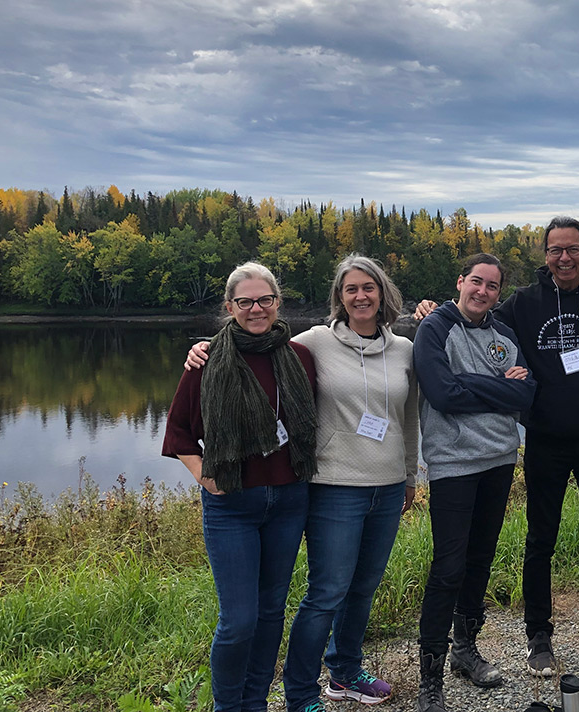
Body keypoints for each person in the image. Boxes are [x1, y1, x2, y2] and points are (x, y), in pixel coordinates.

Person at [186, 254, 419, 712]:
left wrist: (410, 474)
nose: (360, 296)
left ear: (382, 293)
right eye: (350, 289)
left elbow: (408, 420)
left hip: (389, 485)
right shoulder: (313, 342)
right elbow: (251, 342)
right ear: (339, 297)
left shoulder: (405, 350)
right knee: (327, 592)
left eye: (368, 288)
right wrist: (203, 348)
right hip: (333, 485)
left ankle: (346, 672)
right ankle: (301, 693)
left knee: (364, 586)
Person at [415, 216, 579, 674]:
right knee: (541, 540)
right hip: (544, 440)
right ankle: (538, 634)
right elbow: (473, 315)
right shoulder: (523, 303)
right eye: (556, 249)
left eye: (573, 248)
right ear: (545, 255)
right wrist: (433, 310)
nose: (565, 257)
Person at [163, 262, 318, 712]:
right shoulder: (207, 359)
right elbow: (177, 433)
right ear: (229, 307)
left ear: (277, 302)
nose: (256, 309)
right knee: (239, 620)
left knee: (271, 613)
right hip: (232, 504)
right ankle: (228, 707)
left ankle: (255, 703)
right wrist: (203, 475)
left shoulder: (299, 356)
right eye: (245, 301)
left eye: (264, 299)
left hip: (290, 499)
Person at [413, 253, 536, 712]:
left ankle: (466, 651)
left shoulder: (503, 334)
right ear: (460, 281)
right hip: (453, 465)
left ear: (498, 294)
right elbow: (442, 394)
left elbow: (526, 392)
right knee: (448, 567)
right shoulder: (434, 329)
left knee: (480, 558)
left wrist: (475, 383)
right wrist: (496, 386)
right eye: (476, 282)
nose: (482, 291)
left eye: (492, 286)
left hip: (500, 460)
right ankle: (430, 679)